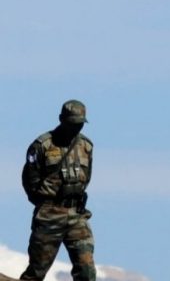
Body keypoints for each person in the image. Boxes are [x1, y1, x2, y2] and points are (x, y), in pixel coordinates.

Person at [20, 100, 96, 281]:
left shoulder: (86, 146)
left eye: (79, 124)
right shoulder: (42, 146)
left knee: (86, 270)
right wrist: (46, 204)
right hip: (49, 215)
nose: (76, 128)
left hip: (77, 215)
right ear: (62, 119)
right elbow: (29, 180)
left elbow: (87, 176)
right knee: (36, 272)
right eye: (72, 123)